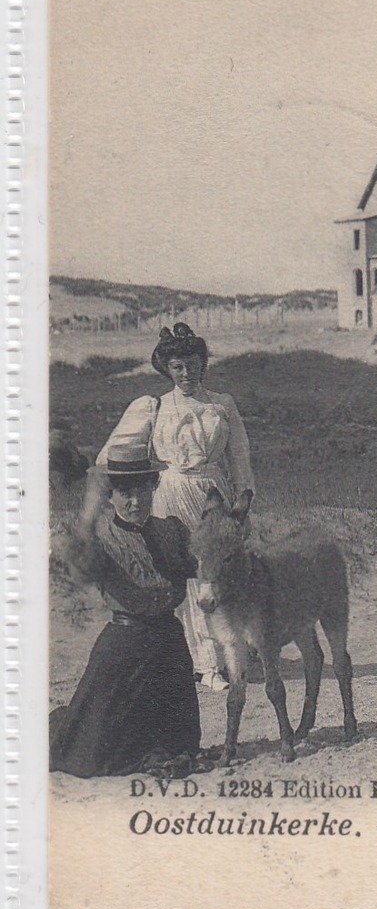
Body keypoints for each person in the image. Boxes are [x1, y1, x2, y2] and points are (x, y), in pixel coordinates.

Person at [96, 323, 253, 692]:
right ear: (167, 369)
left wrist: (242, 505)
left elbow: (240, 458)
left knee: (217, 571)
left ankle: (233, 653)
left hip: (215, 493)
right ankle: (205, 663)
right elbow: (113, 455)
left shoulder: (221, 404)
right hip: (171, 494)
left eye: (192, 364)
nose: (186, 373)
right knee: (187, 573)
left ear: (203, 364)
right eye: (177, 366)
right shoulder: (155, 407)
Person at [49, 443, 203, 778]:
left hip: (168, 648)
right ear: (111, 497)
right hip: (125, 648)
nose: (136, 502)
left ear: (154, 487)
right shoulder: (101, 537)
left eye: (143, 490)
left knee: (179, 745)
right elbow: (82, 572)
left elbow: (201, 565)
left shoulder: (170, 530)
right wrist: (87, 518)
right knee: (88, 756)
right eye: (125, 494)